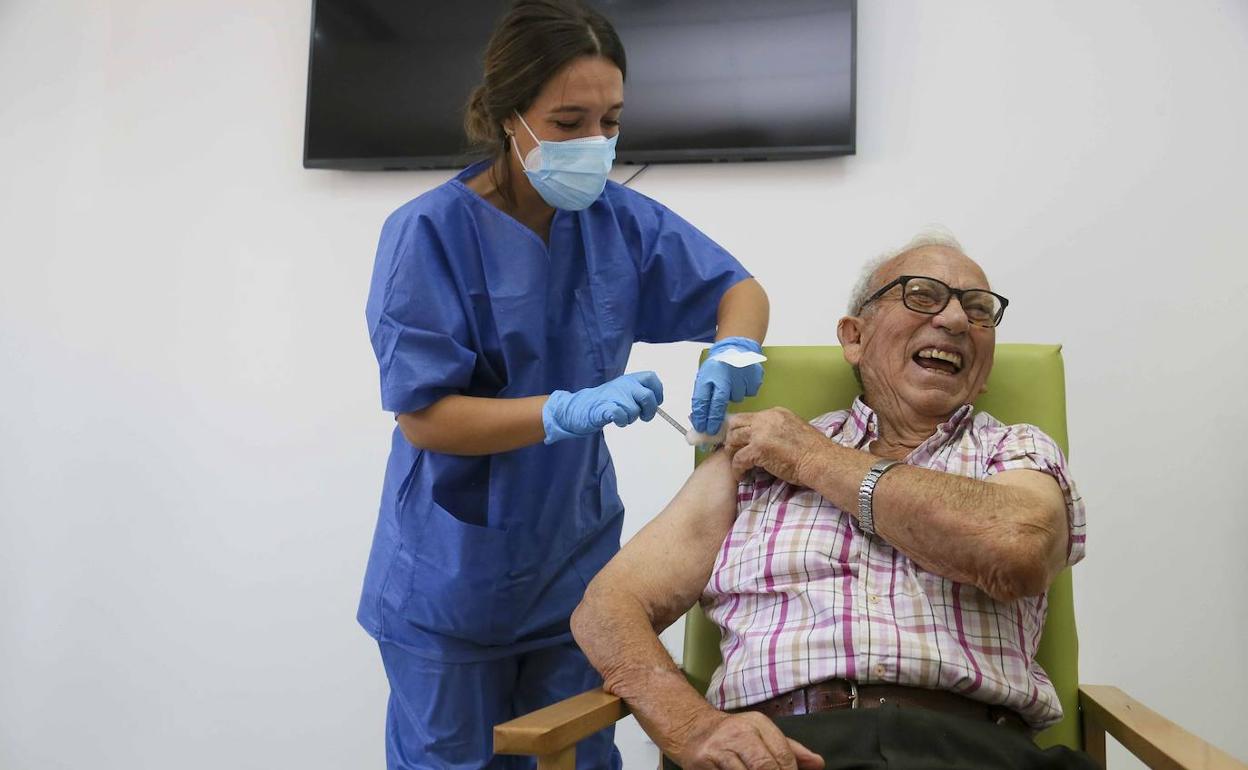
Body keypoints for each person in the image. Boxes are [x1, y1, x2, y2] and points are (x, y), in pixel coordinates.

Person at [359, 1, 769, 768]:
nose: (596, 144)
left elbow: (735, 288)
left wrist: (735, 347)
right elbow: (425, 416)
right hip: (454, 576)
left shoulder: (616, 222)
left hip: (574, 569)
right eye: (570, 121)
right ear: (509, 115)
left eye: (611, 121)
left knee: (576, 756)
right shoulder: (429, 235)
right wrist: (565, 410)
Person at [571, 231, 1094, 770]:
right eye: (921, 295)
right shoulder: (754, 459)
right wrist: (693, 728)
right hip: (782, 752)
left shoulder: (1014, 448)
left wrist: (812, 459)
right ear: (855, 338)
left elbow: (1018, 550)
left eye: (979, 310)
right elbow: (608, 608)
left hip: (974, 752)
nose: (957, 321)